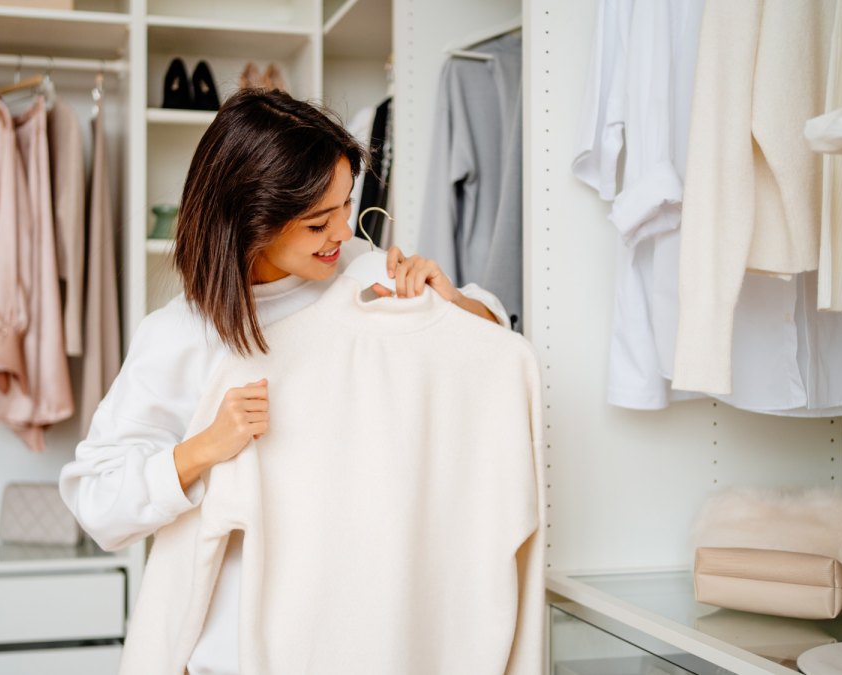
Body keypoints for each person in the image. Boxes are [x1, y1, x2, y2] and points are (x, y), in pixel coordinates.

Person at [58, 89, 509, 674]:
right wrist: (202, 449)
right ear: (252, 216)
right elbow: (97, 501)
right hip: (237, 653)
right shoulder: (183, 336)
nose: (344, 233)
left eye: (347, 207)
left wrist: (450, 304)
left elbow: (499, 352)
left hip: (371, 635)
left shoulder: (368, 277)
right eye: (320, 221)